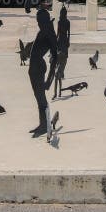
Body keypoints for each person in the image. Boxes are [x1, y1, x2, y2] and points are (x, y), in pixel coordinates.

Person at [31, 8, 58, 137]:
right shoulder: (44, 30)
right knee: (38, 97)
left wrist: (49, 80)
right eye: (37, 21)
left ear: (45, 20)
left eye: (40, 21)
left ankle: (45, 125)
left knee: (41, 98)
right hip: (33, 67)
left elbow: (55, 58)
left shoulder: (50, 34)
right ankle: (42, 123)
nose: (38, 23)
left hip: (38, 68)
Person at [51, 4, 70, 100]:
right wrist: (68, 42)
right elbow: (68, 34)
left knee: (58, 75)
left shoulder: (62, 22)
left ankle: (57, 93)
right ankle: (58, 93)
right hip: (63, 41)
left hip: (61, 42)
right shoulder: (66, 22)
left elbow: (59, 33)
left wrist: (56, 41)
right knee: (58, 75)